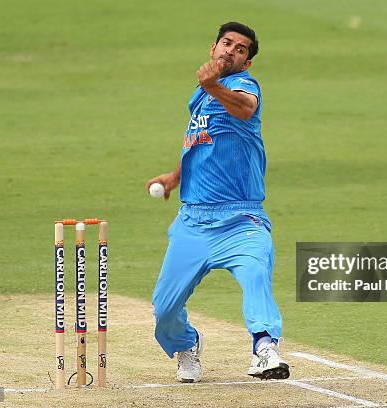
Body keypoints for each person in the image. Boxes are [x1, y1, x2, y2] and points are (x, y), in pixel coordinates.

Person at [146, 21, 289, 383]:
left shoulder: (243, 85)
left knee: (256, 275)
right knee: (164, 308)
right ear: (213, 48)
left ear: (247, 62)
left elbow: (243, 109)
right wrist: (175, 177)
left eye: (241, 49)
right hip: (193, 221)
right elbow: (200, 141)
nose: (232, 51)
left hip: (242, 219)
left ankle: (265, 347)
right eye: (227, 43)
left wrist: (213, 84)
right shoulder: (199, 96)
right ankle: (187, 343)